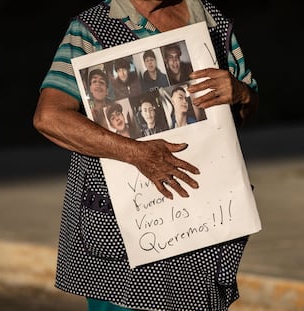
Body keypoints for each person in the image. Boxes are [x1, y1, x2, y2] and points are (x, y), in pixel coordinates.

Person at [33, 0, 259, 310]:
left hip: (204, 223)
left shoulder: (211, 18)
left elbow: (245, 107)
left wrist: (241, 94)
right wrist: (136, 153)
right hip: (126, 230)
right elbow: (50, 117)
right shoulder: (90, 28)